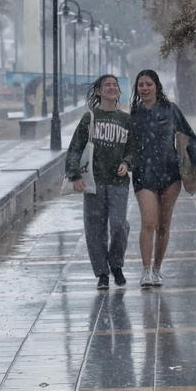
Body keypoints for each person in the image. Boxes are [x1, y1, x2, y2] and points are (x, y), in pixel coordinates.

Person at [129, 70, 196, 288]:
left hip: (170, 174)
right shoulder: (134, 114)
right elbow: (128, 144)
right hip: (144, 175)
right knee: (149, 222)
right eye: (141, 85)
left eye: (148, 84)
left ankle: (157, 268)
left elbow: (188, 135)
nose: (144, 88)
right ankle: (145, 271)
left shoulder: (171, 110)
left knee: (164, 224)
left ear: (157, 87)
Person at [66, 74, 134, 290]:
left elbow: (134, 149)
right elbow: (75, 147)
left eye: (115, 85)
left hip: (118, 182)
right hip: (93, 182)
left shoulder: (126, 120)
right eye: (107, 85)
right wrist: (75, 175)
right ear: (98, 91)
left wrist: (127, 162)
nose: (111, 88)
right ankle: (102, 273)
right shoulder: (90, 118)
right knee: (94, 228)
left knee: (118, 225)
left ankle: (116, 264)